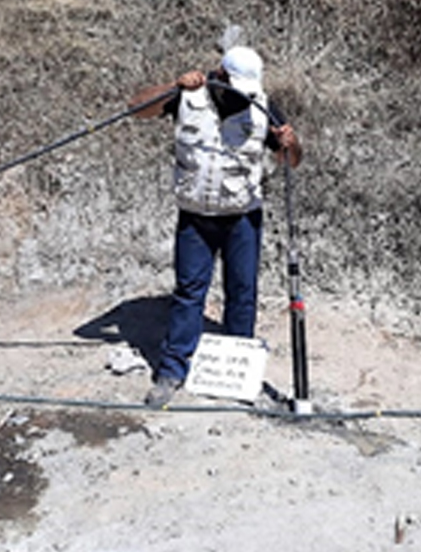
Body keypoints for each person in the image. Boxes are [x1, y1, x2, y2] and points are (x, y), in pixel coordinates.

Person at [128, 46, 302, 407]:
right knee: (189, 292)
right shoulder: (187, 96)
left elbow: (290, 160)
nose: (241, 93)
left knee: (242, 293)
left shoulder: (261, 105)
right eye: (233, 85)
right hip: (195, 218)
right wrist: (172, 85)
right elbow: (136, 108)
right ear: (219, 76)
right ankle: (172, 370)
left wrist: (291, 143)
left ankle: (236, 374)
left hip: (243, 218)